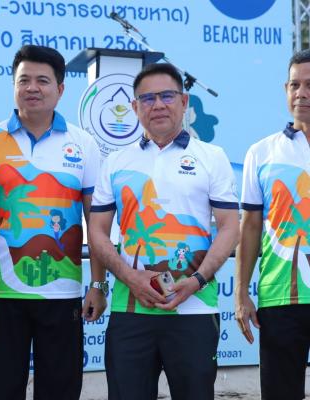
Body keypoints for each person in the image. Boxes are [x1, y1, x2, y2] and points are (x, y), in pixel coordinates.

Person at [0, 44, 106, 400]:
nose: (32, 88)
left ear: (60, 88)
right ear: (13, 86)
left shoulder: (83, 144)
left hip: (63, 294)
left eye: (43, 80)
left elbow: (96, 222)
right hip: (0, 294)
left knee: (60, 390)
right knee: (3, 391)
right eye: (23, 80)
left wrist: (97, 284)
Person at [88, 62, 240, 400]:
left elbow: (230, 227)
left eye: (167, 96)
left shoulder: (211, 156)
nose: (157, 105)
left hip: (195, 308)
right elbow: (97, 230)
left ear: (184, 102)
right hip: (130, 309)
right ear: (134, 107)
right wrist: (130, 277)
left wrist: (196, 280)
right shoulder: (115, 162)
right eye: (148, 98)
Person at [235, 49, 310, 400]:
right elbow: (249, 227)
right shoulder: (262, 152)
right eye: (295, 85)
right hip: (280, 299)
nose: (302, 93)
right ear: (285, 89)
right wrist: (240, 293)